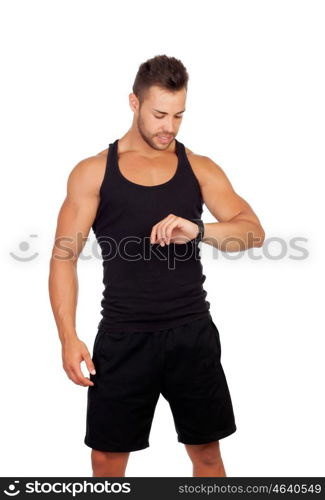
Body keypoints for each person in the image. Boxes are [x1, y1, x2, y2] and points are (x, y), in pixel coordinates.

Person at [48, 54, 265, 478]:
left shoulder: (198, 167)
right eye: (160, 114)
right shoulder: (93, 172)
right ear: (134, 103)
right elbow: (63, 258)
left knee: (206, 455)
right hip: (123, 337)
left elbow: (253, 232)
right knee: (107, 462)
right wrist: (68, 336)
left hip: (192, 335)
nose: (169, 126)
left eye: (179, 115)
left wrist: (198, 229)